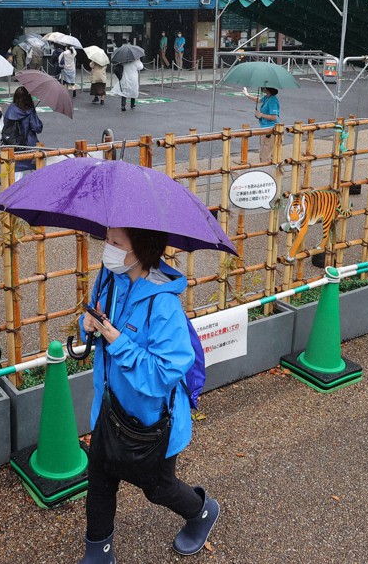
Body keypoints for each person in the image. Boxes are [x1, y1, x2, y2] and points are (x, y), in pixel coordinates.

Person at [77, 226, 219, 563]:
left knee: (158, 488)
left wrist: (116, 340)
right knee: (100, 479)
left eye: (116, 243)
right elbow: (98, 321)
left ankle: (202, 511)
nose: (107, 248)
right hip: (110, 409)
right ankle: (98, 552)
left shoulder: (163, 304)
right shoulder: (110, 278)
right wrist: (87, 324)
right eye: (107, 240)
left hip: (151, 424)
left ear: (141, 249)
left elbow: (163, 374)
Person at [3, 86, 43, 174]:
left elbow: (6, 123)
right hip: (29, 146)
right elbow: (37, 127)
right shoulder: (29, 110)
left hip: (14, 145)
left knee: (16, 173)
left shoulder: (11, 109)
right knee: (35, 172)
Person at [245, 87, 281, 163]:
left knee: (265, 153)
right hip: (265, 128)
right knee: (265, 151)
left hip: (270, 129)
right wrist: (247, 95)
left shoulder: (273, 100)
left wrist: (261, 114)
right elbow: (259, 100)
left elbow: (274, 117)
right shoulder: (267, 97)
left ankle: (265, 170)